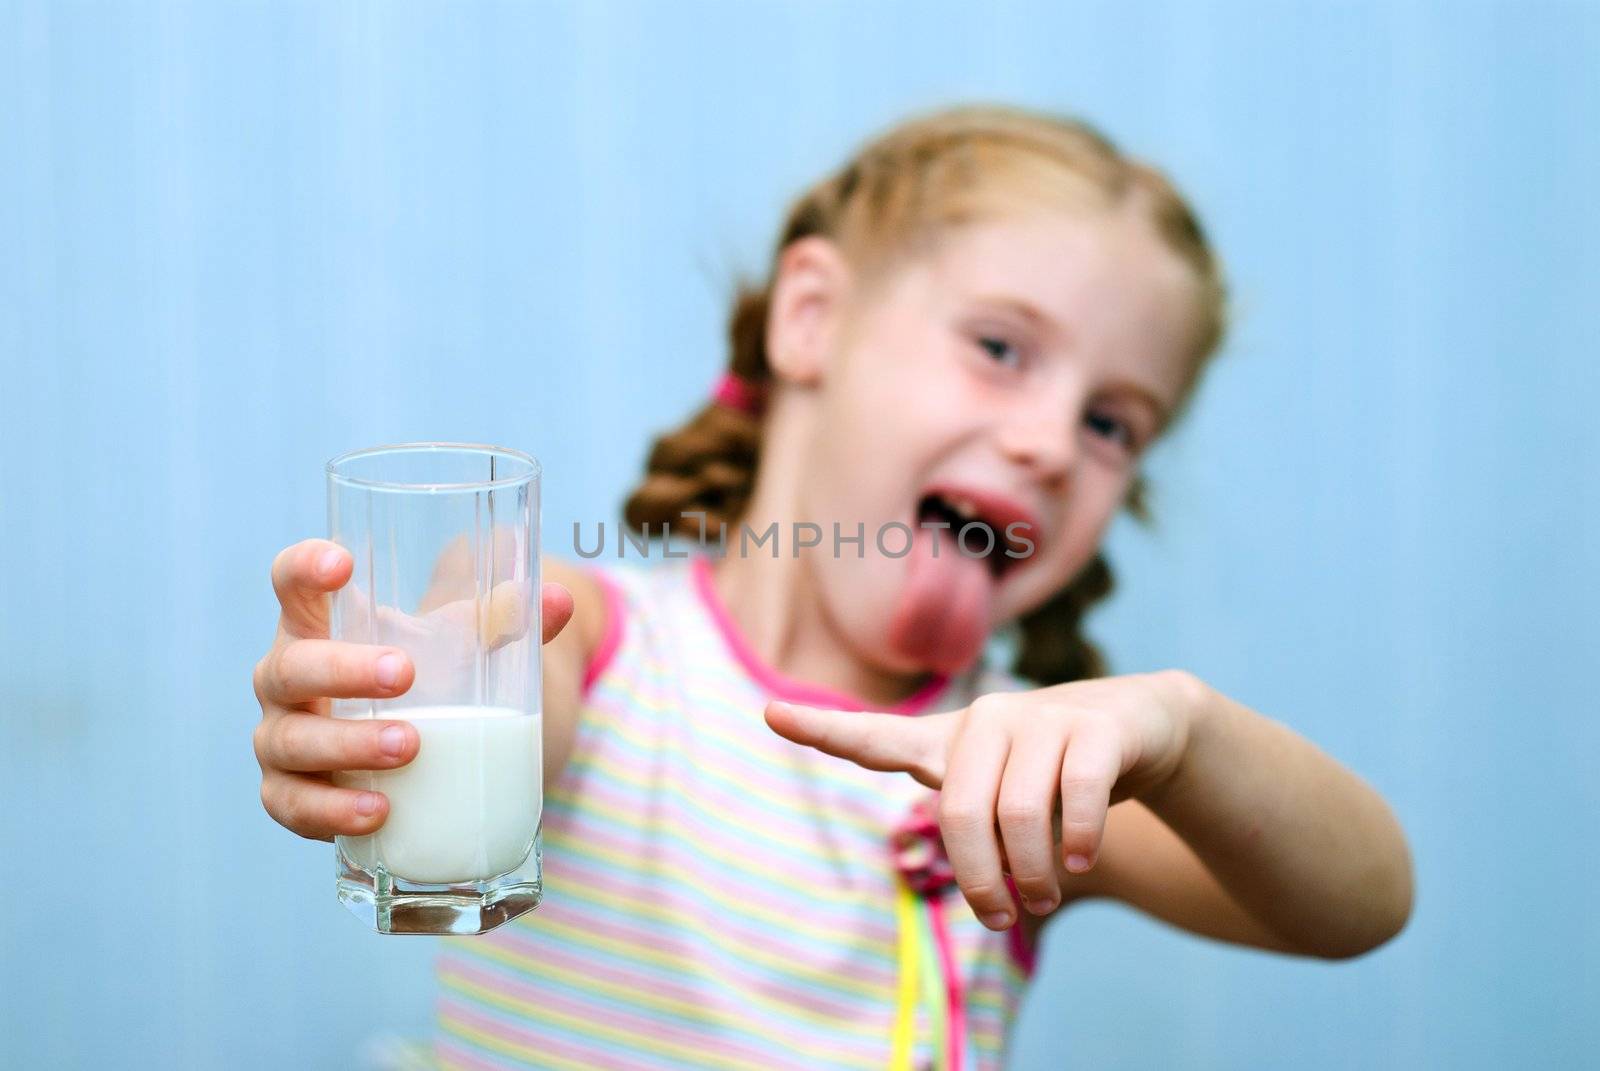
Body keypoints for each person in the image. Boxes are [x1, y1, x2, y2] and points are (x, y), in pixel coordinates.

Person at [252, 105, 1413, 1070]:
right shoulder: (604, 647)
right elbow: (509, 659)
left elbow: (1359, 902)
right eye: (1001, 349)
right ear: (810, 319)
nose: (1054, 444)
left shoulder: (1023, 780)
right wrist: (419, 686)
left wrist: (1182, 728)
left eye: (1113, 424)